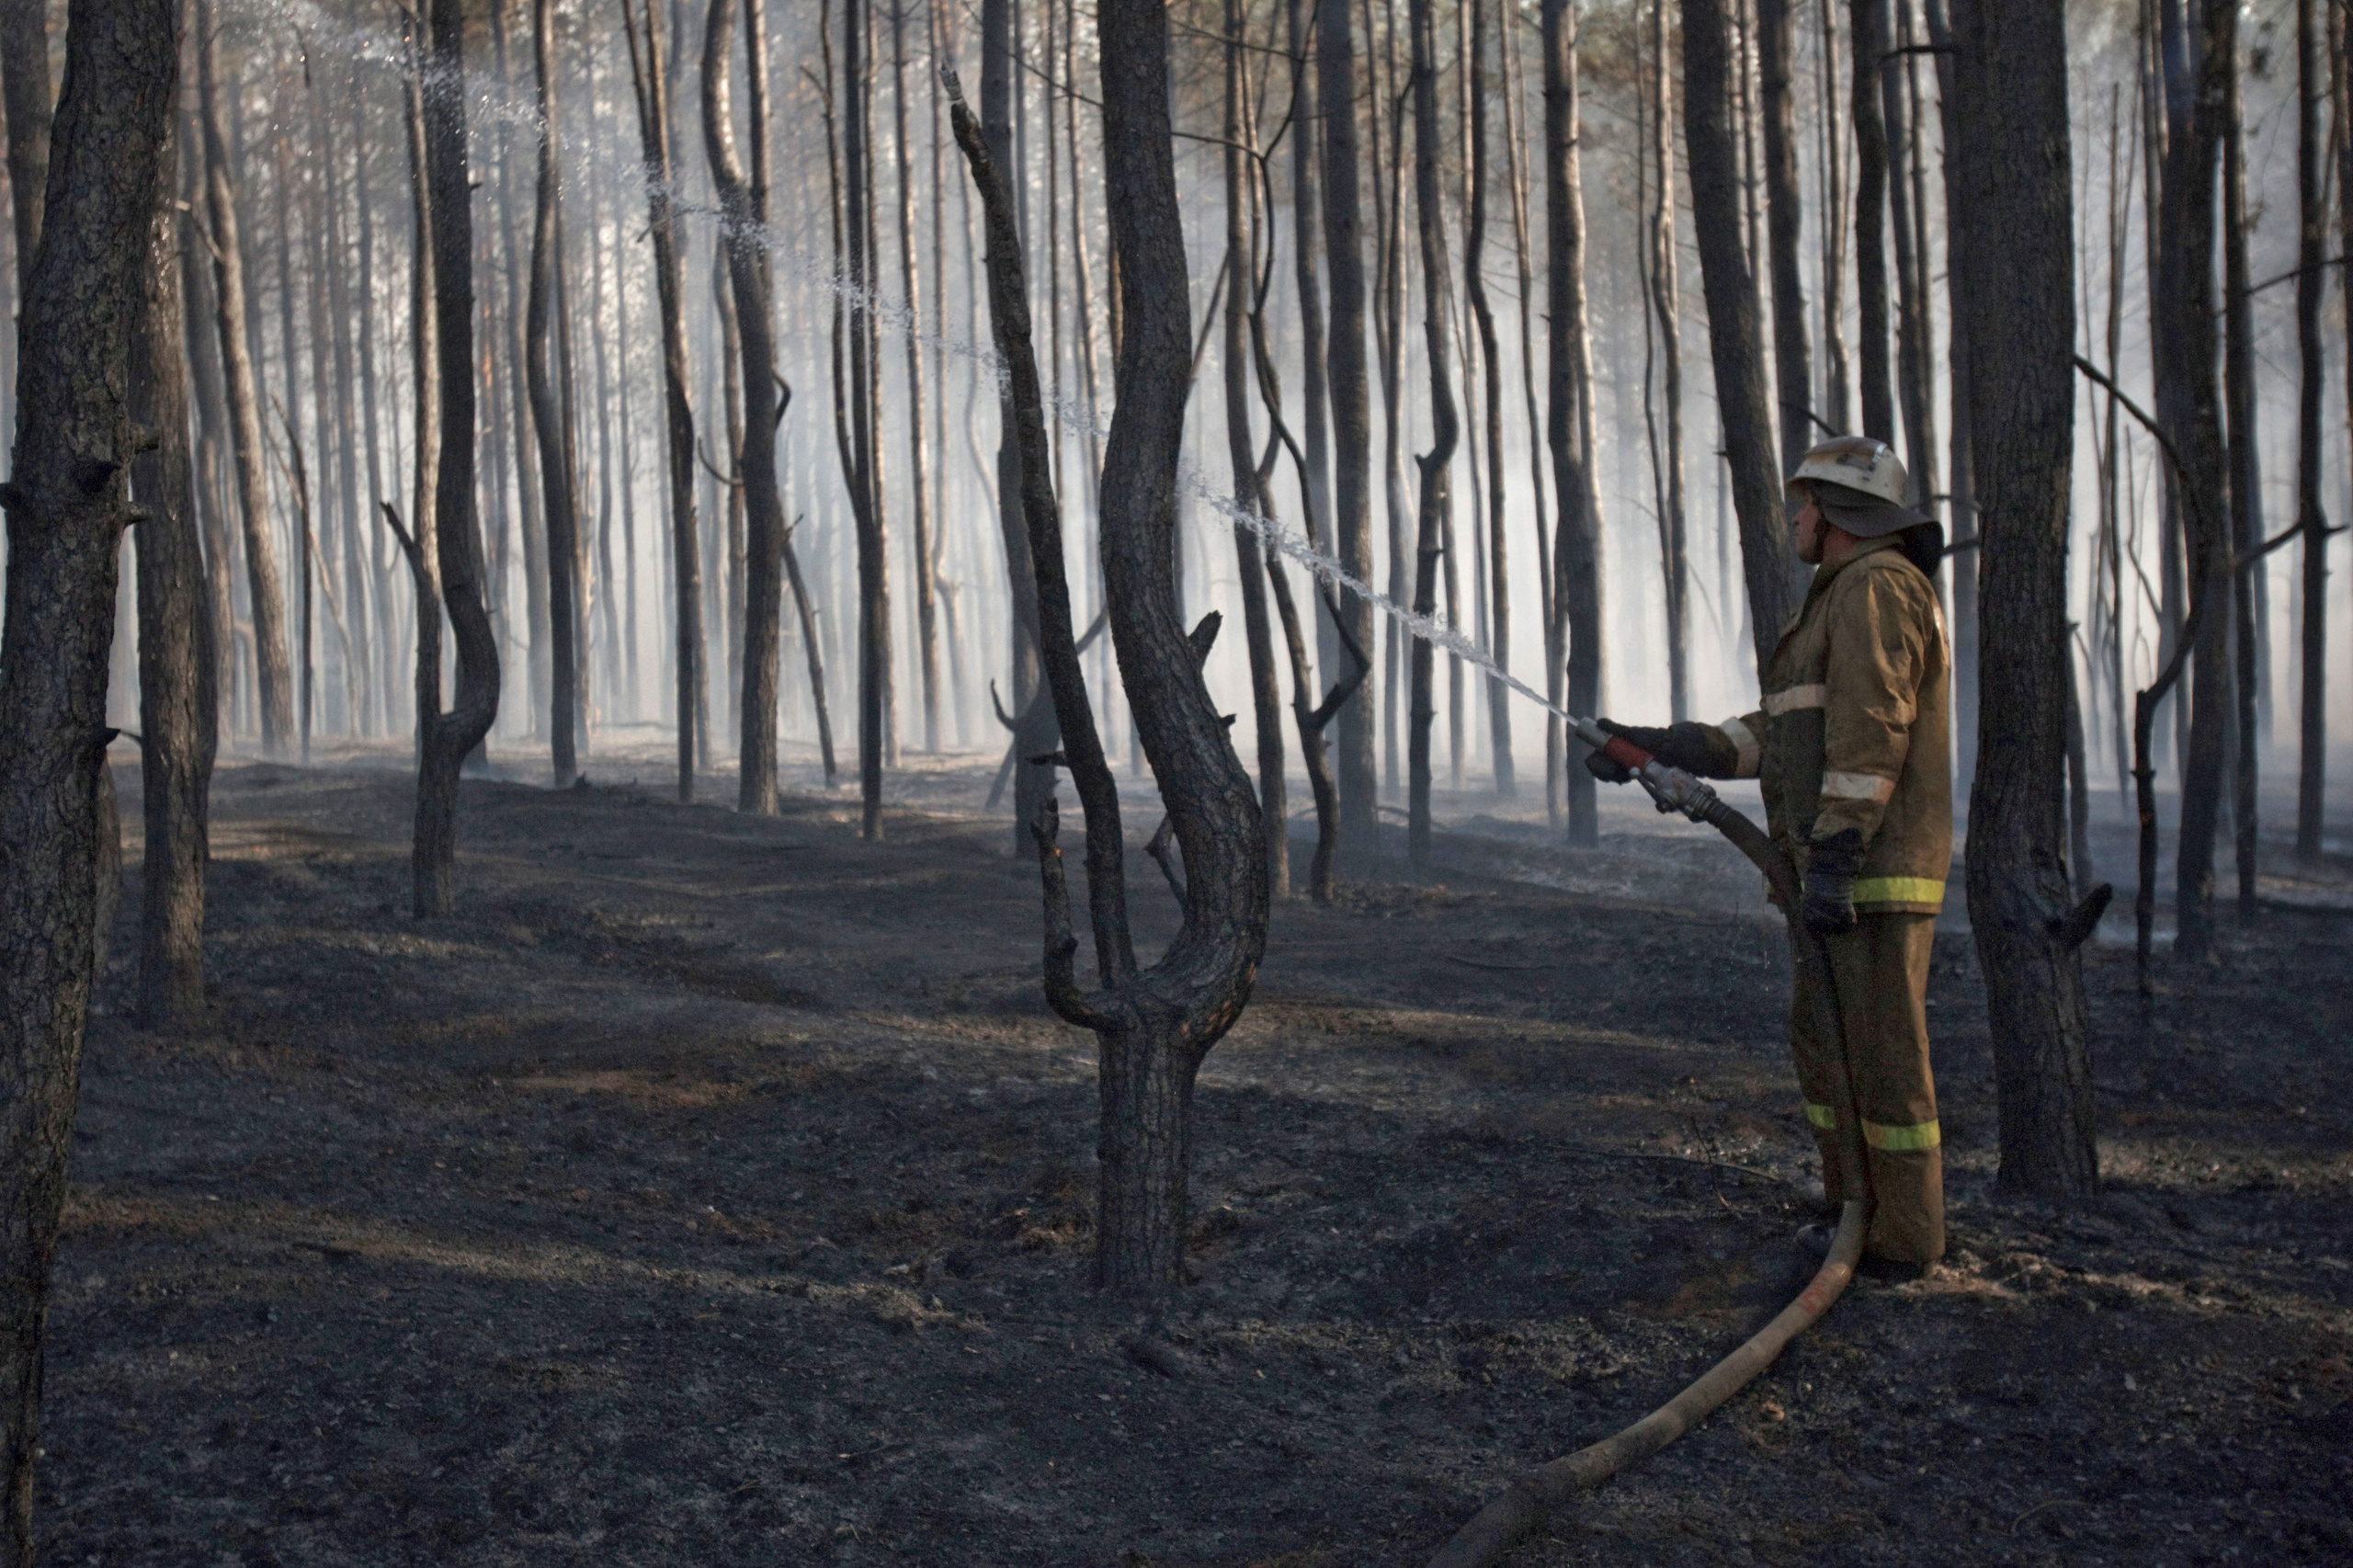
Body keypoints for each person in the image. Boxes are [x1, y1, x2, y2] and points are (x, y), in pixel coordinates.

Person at [1587, 436, 1952, 1281]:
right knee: (1826, 1042)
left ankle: (1903, 1242)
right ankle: (1852, 1209)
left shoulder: (1876, 587)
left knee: (1883, 1057)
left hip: (1869, 872)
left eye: (1805, 503)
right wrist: (1669, 743)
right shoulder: (1838, 599)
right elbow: (1785, 734)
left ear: (1838, 511)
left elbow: (1871, 734)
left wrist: (1836, 857)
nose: (1794, 518)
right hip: (1838, 871)